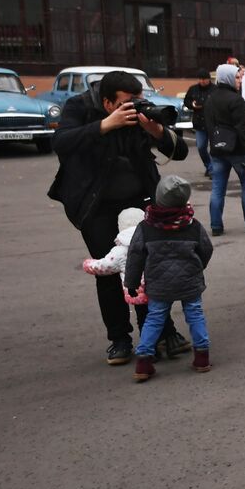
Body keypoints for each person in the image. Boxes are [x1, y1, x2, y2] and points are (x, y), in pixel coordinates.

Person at [50, 69, 190, 364]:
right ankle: (119, 339)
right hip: (96, 204)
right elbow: (60, 142)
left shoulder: (137, 113)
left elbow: (179, 153)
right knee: (110, 271)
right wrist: (104, 125)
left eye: (139, 99)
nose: (135, 105)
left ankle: (161, 333)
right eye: (128, 101)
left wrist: (157, 132)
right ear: (108, 103)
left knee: (149, 269)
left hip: (139, 201)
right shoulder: (80, 107)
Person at [124, 176, 214, 381]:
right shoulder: (193, 225)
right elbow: (206, 249)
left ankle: (144, 361)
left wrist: (131, 282)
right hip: (189, 281)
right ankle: (202, 357)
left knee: (154, 317)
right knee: (195, 314)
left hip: (159, 284)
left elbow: (136, 256)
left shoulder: (146, 227)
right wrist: (198, 266)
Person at [205, 62, 245, 236]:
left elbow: (208, 125)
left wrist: (215, 143)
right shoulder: (236, 100)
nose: (240, 80)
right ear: (228, 78)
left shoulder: (210, 98)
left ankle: (216, 225)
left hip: (218, 150)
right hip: (238, 150)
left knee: (218, 188)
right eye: (237, 77)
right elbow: (243, 128)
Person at [184, 70, 214, 176]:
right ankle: (208, 165)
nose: (201, 81)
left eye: (204, 79)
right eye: (200, 79)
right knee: (201, 147)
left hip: (212, 123)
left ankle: (213, 169)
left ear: (208, 79)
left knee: (215, 148)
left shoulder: (215, 89)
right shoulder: (193, 89)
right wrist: (192, 104)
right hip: (199, 123)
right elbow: (186, 101)